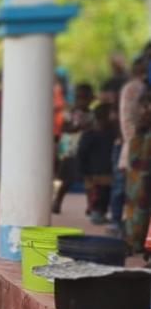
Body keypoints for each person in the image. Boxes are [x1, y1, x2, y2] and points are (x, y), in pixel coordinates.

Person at [53, 87, 91, 216]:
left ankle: (91, 207)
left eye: (85, 98)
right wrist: (77, 127)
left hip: (87, 150)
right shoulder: (70, 113)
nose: (82, 101)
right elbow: (65, 128)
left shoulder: (91, 115)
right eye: (79, 98)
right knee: (67, 179)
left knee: (89, 180)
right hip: (71, 150)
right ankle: (57, 202)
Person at [122, 90, 151, 258]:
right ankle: (133, 241)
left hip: (145, 177)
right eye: (143, 106)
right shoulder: (141, 132)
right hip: (137, 177)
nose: (144, 111)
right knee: (135, 207)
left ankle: (139, 242)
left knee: (141, 207)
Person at [78, 102, 118, 225]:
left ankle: (98, 212)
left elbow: (81, 153)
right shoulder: (95, 134)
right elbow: (82, 154)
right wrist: (84, 171)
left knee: (102, 194)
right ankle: (96, 212)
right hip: (95, 172)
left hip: (103, 172)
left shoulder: (108, 134)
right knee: (98, 195)